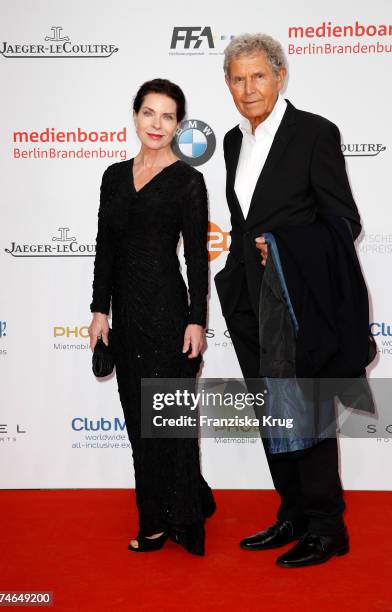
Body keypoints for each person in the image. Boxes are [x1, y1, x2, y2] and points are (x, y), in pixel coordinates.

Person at [215, 33, 367, 568]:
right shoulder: (234, 142)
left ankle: (328, 528)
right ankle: (294, 513)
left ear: (280, 76)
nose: (248, 87)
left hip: (298, 300)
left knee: (309, 409)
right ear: (228, 85)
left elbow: (344, 220)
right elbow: (242, 220)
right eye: (238, 78)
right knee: (271, 413)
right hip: (250, 300)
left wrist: (282, 247)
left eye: (259, 75)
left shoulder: (314, 133)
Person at [88, 78, 215, 555]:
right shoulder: (113, 176)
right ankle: (157, 514)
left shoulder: (187, 181)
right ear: (135, 115)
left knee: (171, 419)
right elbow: (105, 247)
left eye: (167, 116)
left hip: (167, 311)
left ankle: (179, 516)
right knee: (139, 420)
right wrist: (100, 309)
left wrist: (196, 319)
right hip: (126, 312)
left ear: (178, 125)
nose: (157, 124)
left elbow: (198, 259)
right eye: (149, 113)